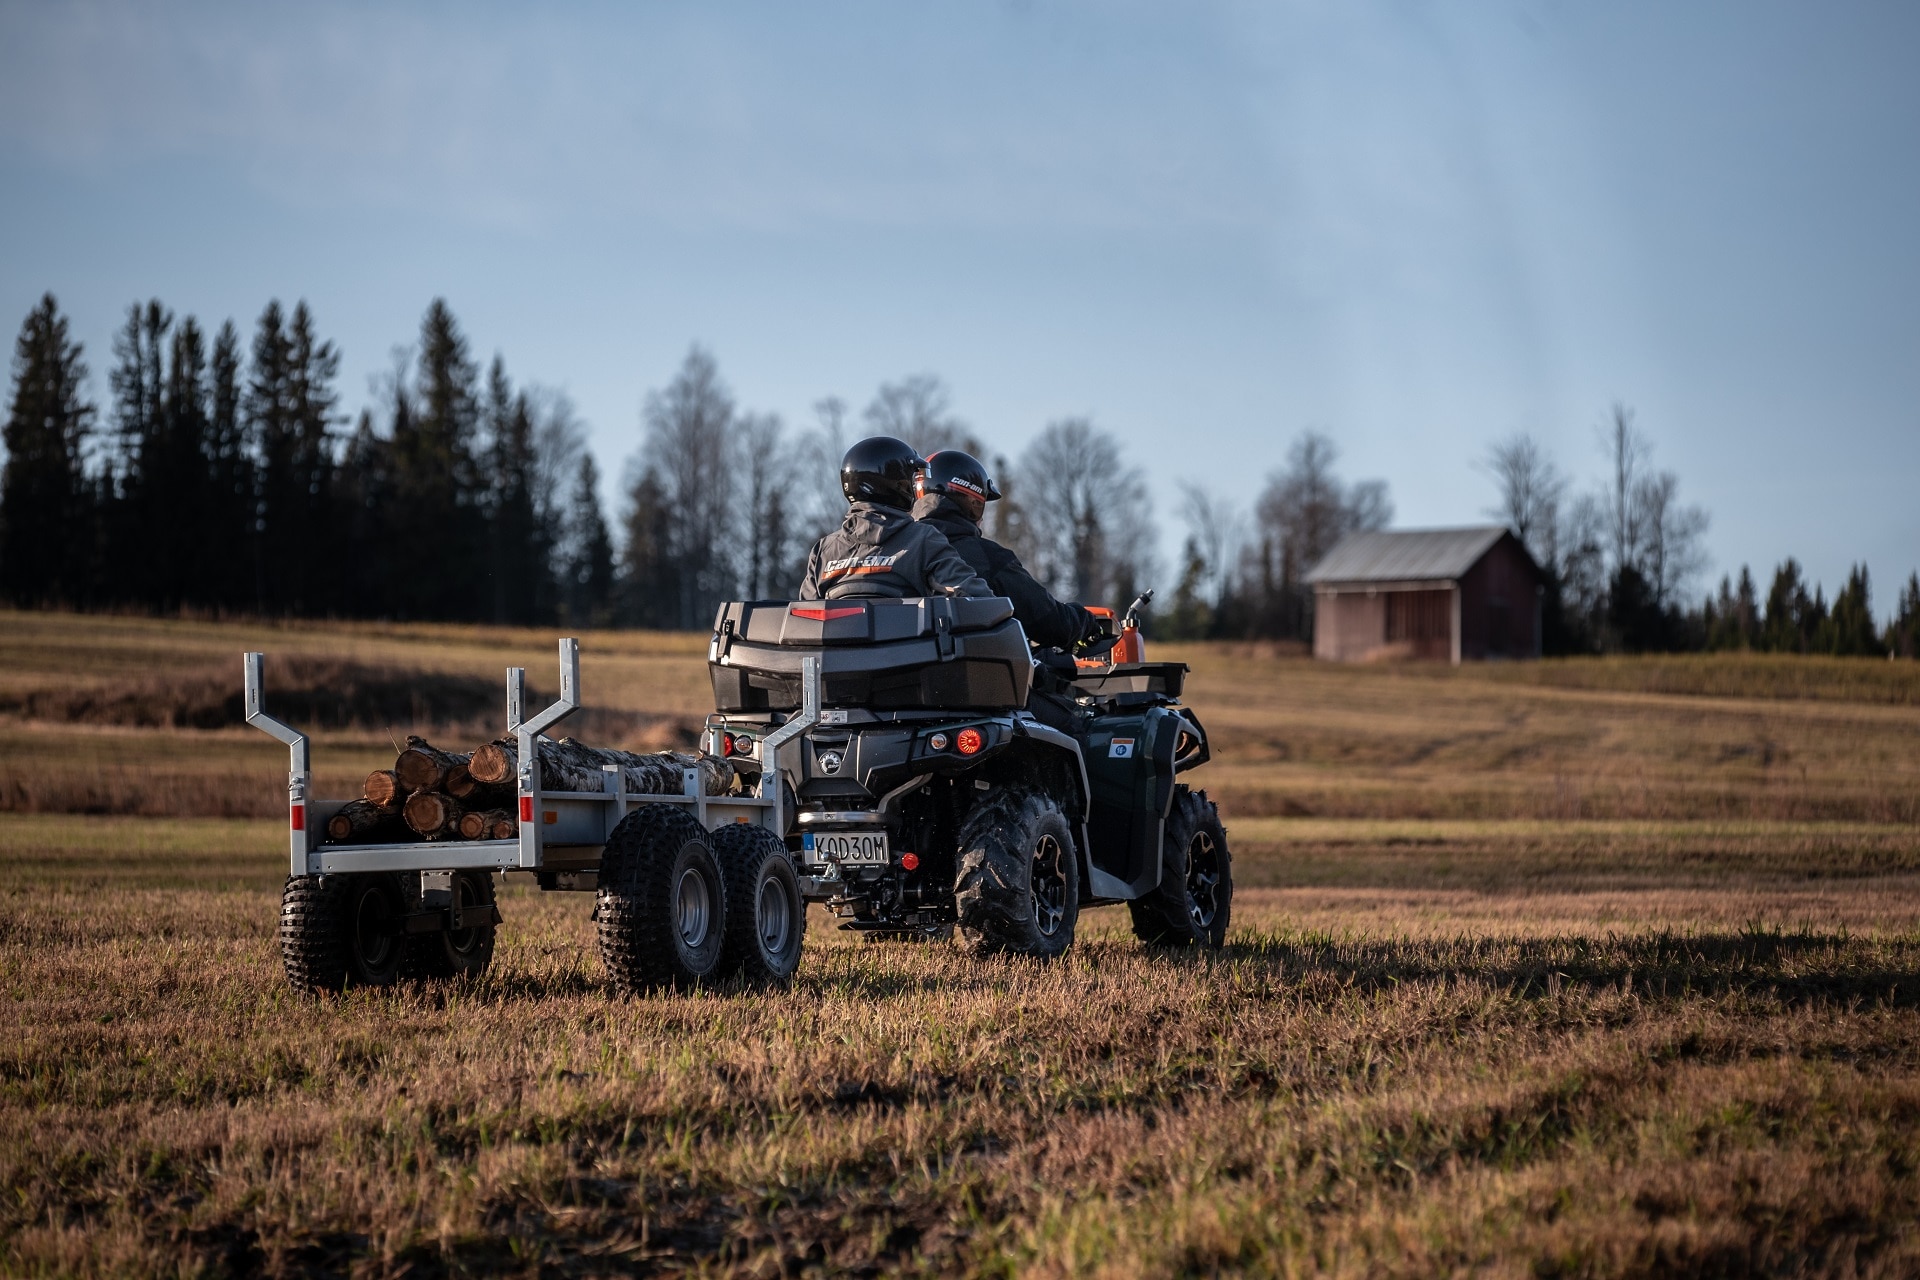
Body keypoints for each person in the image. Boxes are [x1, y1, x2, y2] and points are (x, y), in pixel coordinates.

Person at [911, 449, 1105, 651]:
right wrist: (1086, 624)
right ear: (968, 502)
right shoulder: (987, 557)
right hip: (973, 676)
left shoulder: (895, 554)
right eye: (980, 505)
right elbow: (1048, 621)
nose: (983, 519)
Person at [798, 437, 992, 600]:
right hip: (909, 646)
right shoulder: (924, 540)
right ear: (893, 484)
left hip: (837, 646)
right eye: (909, 479)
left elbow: (805, 618)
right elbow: (975, 596)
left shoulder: (824, 550)